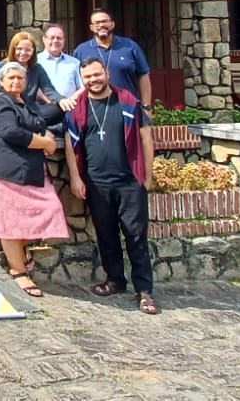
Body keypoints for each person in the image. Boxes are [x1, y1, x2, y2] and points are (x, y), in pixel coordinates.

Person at [64, 58, 160, 315]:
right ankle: (115, 280)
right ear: (82, 80)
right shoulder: (79, 107)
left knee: (136, 236)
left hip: (129, 181)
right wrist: (75, 177)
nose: (93, 80)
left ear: (106, 73)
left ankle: (145, 291)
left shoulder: (127, 101)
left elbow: (145, 138)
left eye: (97, 75)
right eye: (87, 78)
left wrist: (147, 175)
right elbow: (70, 144)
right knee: (106, 235)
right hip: (96, 182)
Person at [0, 62, 68, 299]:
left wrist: (47, 134)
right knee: (9, 225)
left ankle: (21, 250)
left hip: (29, 170)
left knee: (51, 211)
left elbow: (41, 123)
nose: (16, 82)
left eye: (20, 78)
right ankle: (18, 270)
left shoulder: (27, 103)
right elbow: (10, 131)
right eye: (11, 78)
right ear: (1, 82)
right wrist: (44, 143)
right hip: (5, 171)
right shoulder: (0, 102)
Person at [73, 9, 152, 107]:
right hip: (93, 108)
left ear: (112, 24)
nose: (101, 25)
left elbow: (143, 75)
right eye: (97, 23)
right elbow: (75, 81)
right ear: (91, 27)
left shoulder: (130, 47)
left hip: (128, 106)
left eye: (105, 21)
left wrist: (146, 106)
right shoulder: (81, 51)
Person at [7, 31, 61, 109]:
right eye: (19, 49)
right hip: (9, 108)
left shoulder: (36, 68)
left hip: (30, 109)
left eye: (28, 50)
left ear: (33, 51)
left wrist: (61, 100)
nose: (23, 53)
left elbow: (48, 90)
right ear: (13, 49)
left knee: (56, 110)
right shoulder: (1, 67)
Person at [38, 24, 84, 103]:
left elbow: (82, 87)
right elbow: (33, 87)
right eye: (52, 38)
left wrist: (69, 101)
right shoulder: (36, 61)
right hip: (43, 108)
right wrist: (48, 102)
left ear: (64, 40)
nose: (55, 41)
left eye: (59, 38)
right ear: (44, 39)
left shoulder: (74, 63)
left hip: (70, 108)